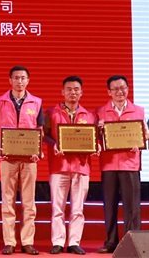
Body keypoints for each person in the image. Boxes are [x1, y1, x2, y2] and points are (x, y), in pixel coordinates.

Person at [0, 66, 43, 256]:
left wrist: (38, 151)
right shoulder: (0, 101)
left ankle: (27, 242)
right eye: (16, 78)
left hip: (29, 160)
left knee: (29, 203)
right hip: (7, 159)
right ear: (10, 80)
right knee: (8, 202)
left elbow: (40, 131)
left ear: (28, 80)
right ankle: (10, 242)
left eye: (23, 78)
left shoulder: (36, 102)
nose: (20, 81)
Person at [95, 75, 149, 254]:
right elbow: (94, 139)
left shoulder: (139, 111)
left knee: (132, 207)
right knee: (109, 206)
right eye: (115, 89)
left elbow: (145, 134)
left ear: (128, 89)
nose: (120, 92)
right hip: (109, 164)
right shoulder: (100, 112)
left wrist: (140, 141)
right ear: (109, 92)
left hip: (130, 163)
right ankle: (111, 242)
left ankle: (131, 243)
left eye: (123, 88)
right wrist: (98, 130)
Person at [43, 76, 94, 255]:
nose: (73, 92)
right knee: (57, 208)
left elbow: (93, 139)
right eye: (69, 89)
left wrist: (95, 147)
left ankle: (74, 242)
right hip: (59, 166)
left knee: (78, 209)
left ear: (81, 92)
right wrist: (54, 144)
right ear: (62, 92)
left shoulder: (89, 115)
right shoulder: (52, 113)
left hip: (82, 166)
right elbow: (44, 135)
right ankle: (57, 242)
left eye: (76, 89)